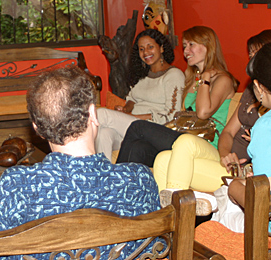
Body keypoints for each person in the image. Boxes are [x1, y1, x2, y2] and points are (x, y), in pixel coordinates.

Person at [0, 66, 161, 259]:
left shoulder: (16, 187)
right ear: (93, 114)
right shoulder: (140, 180)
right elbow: (158, 249)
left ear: (38, 129)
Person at [153, 30, 271, 193]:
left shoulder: (267, 109)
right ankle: (167, 215)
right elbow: (228, 132)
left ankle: (177, 210)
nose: (252, 59)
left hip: (247, 173)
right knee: (162, 159)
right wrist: (225, 155)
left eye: (257, 53)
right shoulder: (251, 92)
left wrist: (255, 141)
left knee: (183, 142)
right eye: (251, 55)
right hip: (227, 163)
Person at [116, 26, 237, 176]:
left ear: (208, 46)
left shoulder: (222, 79)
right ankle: (124, 195)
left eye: (191, 45)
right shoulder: (192, 79)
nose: (186, 51)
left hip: (205, 143)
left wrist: (205, 78)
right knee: (138, 148)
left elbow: (203, 112)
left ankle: (113, 184)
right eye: (185, 46)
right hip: (184, 137)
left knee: (138, 127)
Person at [96, 29, 184, 159]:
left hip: (153, 129)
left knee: (100, 113)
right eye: (141, 49)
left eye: (150, 47)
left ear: (161, 48)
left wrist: (132, 115)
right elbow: (132, 98)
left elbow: (172, 115)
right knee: (104, 133)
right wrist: (126, 109)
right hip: (132, 126)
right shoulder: (142, 75)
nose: (146, 52)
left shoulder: (173, 75)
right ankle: (103, 177)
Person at [228, 42, 271, 208]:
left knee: (233, 186)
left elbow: (261, 200)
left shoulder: (264, 126)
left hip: (264, 223)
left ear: (259, 87)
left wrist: (236, 188)